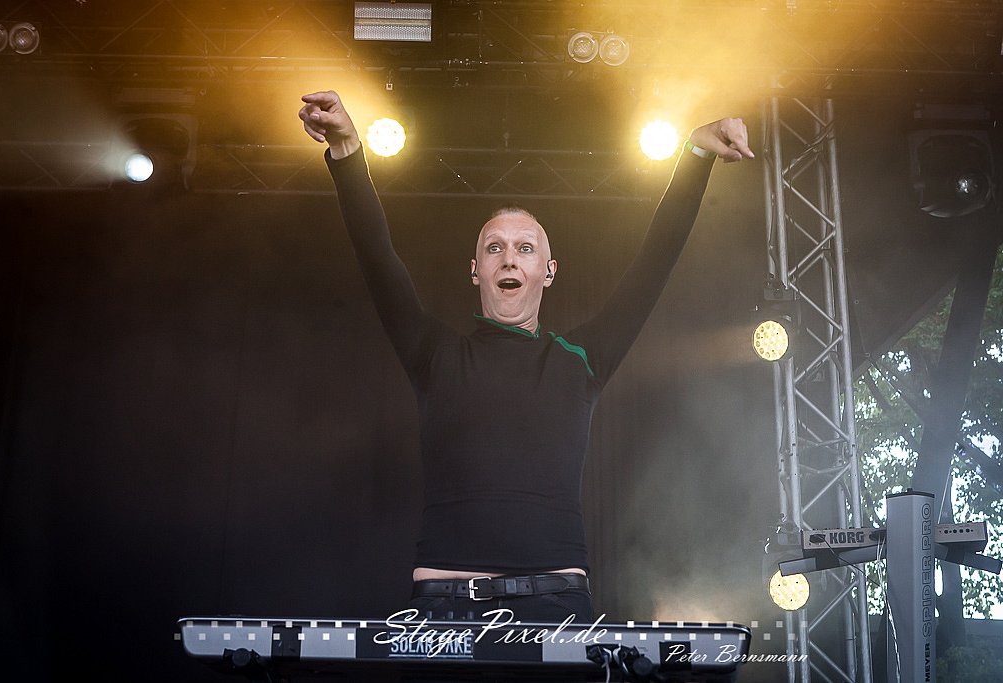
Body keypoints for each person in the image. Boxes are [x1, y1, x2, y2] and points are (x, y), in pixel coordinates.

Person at [299, 90, 752, 624]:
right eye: (494, 248)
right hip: (444, 605)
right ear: (476, 271)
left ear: (548, 272)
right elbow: (377, 256)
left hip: (556, 602)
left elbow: (655, 261)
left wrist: (695, 155)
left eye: (525, 248)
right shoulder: (435, 355)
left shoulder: (579, 360)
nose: (509, 259)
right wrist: (346, 151)